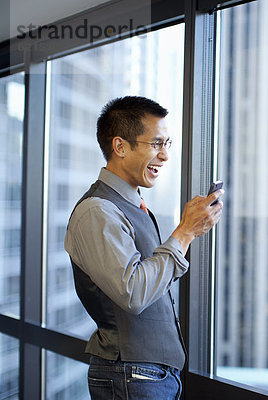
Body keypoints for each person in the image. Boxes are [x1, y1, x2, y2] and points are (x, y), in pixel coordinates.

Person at [64, 96, 223, 399]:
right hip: (131, 375)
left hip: (146, 376)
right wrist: (185, 232)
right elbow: (134, 292)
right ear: (120, 146)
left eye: (167, 144)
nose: (164, 156)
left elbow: (151, 284)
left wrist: (190, 231)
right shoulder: (98, 211)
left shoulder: (130, 204)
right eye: (155, 144)